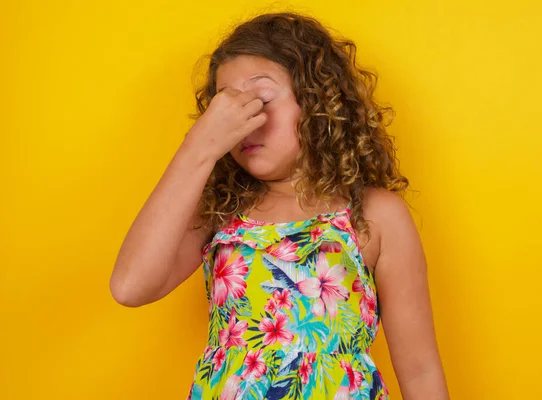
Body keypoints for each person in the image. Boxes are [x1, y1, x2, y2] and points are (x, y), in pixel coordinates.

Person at [110, 11, 449, 400]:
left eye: (261, 100)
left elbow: (421, 371)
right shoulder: (220, 212)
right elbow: (129, 286)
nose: (245, 122)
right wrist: (198, 148)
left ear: (318, 101)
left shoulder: (374, 214)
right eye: (227, 109)